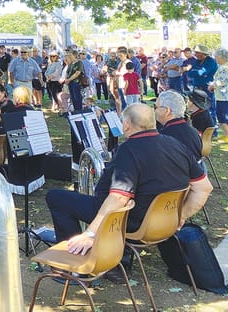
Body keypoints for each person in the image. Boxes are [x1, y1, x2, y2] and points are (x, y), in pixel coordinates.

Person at [45, 103, 212, 276]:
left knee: (55, 197)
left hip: (132, 222)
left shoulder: (129, 149)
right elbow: (204, 188)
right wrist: (181, 215)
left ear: (126, 125)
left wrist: (90, 234)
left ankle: (76, 265)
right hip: (165, 223)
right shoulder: (176, 145)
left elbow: (118, 199)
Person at [155, 90, 202, 164]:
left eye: (156, 107)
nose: (155, 111)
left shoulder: (164, 136)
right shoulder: (193, 132)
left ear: (167, 111)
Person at [209, 47, 228, 143]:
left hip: (224, 98)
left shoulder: (224, 68)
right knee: (222, 119)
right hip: (221, 97)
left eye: (216, 56)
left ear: (221, 57)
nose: (215, 58)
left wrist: (212, 86)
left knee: (224, 118)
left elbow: (221, 81)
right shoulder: (223, 66)